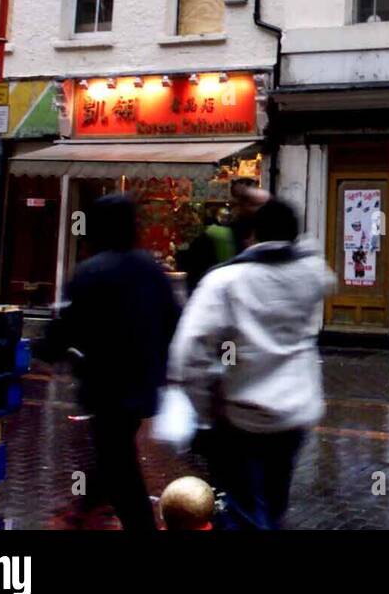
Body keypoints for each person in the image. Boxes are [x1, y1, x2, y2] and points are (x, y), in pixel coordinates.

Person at [168, 198, 334, 529]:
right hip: (295, 412)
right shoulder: (310, 273)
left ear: (253, 234)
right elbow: (321, 267)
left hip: (242, 415)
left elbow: (189, 350)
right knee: (273, 503)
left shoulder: (226, 281)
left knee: (241, 508)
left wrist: (199, 412)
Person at [45, 195, 180, 530]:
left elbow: (67, 327)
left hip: (106, 385)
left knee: (119, 462)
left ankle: (137, 524)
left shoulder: (91, 271)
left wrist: (45, 351)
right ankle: (88, 505)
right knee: (114, 451)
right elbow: (174, 320)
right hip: (143, 384)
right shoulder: (151, 269)